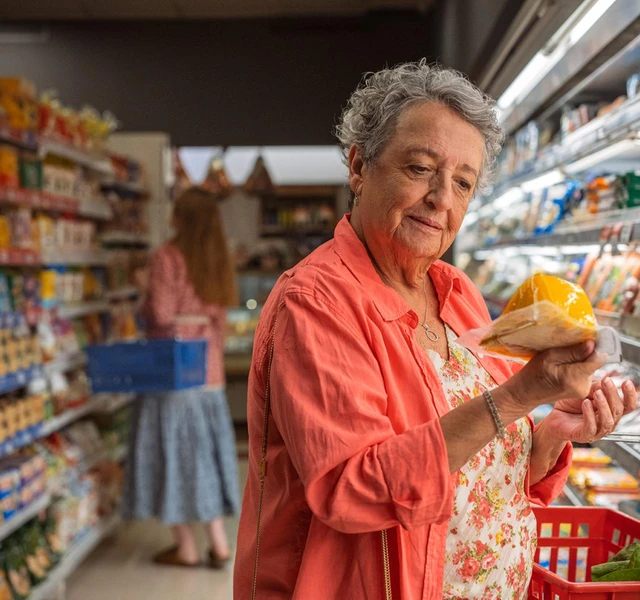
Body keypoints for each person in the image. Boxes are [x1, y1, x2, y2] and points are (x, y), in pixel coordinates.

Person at [234, 62, 638, 599]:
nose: (442, 198)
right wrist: (520, 395)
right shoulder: (316, 303)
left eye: (463, 182)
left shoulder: (459, 293)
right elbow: (351, 489)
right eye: (421, 168)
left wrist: (551, 435)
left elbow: (486, 474)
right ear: (359, 166)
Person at [124, 187, 239, 569]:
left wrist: (142, 290)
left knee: (170, 457)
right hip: (209, 374)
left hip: (172, 371)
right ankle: (220, 544)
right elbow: (220, 319)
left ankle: (187, 548)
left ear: (182, 218)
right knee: (203, 457)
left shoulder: (166, 257)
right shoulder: (218, 260)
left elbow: (160, 312)